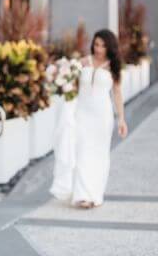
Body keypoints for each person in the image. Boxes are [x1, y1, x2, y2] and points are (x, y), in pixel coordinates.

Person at [55, 29, 128, 209]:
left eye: (103, 45)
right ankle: (82, 196)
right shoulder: (82, 63)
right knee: (81, 152)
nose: (99, 49)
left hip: (102, 117)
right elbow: (69, 83)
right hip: (82, 113)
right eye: (96, 44)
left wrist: (122, 119)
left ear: (109, 47)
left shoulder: (114, 67)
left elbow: (117, 94)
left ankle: (94, 194)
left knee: (99, 155)